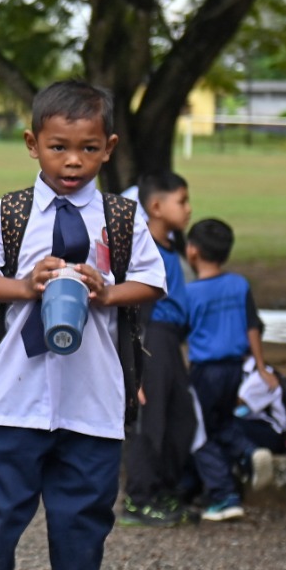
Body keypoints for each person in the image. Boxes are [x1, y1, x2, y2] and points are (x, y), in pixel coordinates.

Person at [0, 80, 164, 570]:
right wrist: (27, 286)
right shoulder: (12, 213)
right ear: (32, 143)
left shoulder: (121, 217)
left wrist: (106, 291)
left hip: (92, 392)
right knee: (2, 505)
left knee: (86, 507)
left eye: (89, 148)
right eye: (59, 147)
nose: (73, 161)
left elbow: (152, 282)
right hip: (18, 394)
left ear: (110, 146)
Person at [182, 218, 274, 523]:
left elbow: (181, 334)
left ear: (192, 251)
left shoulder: (190, 294)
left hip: (205, 371)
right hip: (235, 369)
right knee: (222, 423)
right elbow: (253, 327)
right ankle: (249, 453)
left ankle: (223, 495)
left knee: (198, 432)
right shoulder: (239, 284)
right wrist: (261, 368)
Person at [120, 170, 197, 527]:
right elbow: (138, 310)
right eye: (181, 201)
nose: (188, 209)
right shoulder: (145, 250)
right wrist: (133, 365)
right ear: (155, 206)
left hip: (168, 341)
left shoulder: (170, 246)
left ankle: (164, 487)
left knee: (181, 419)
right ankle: (139, 498)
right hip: (150, 339)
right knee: (150, 421)